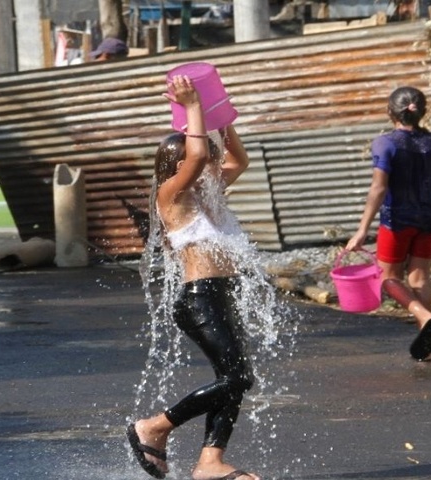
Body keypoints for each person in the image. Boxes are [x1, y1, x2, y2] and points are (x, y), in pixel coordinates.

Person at [126, 75, 259, 480]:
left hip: (220, 294)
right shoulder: (171, 194)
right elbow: (198, 156)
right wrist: (193, 106)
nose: (208, 159)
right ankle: (154, 427)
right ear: (176, 164)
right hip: (199, 299)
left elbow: (239, 161)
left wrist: (222, 116)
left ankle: (210, 463)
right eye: (195, 153)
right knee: (238, 377)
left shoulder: (207, 191)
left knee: (231, 380)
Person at [345, 86, 431, 361]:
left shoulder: (386, 143)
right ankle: (426, 345)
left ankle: (424, 314)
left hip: (397, 220)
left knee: (387, 278)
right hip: (429, 218)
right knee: (420, 277)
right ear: (422, 111)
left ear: (390, 112)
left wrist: (362, 230)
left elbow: (378, 189)